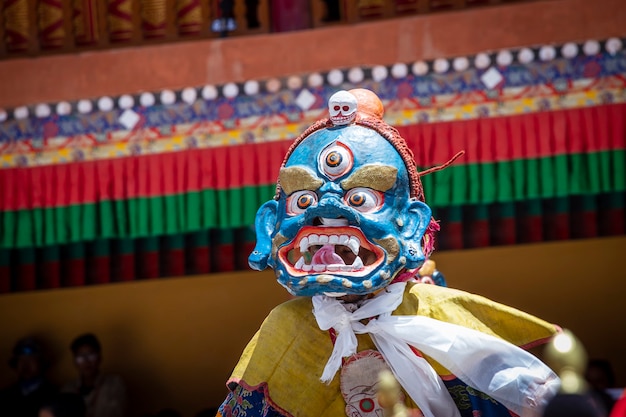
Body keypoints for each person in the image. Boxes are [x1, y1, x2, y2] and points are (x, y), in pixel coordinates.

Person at [217, 88, 561, 416]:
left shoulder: (438, 313)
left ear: (411, 225)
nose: (327, 214)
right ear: (269, 226)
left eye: (360, 198)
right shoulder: (288, 327)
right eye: (303, 200)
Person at [62, 333, 126, 417]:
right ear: (74, 362)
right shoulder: (67, 390)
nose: (86, 361)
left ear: (99, 357)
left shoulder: (114, 385)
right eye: (80, 357)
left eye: (91, 355)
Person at [0, 337, 58, 417]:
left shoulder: (55, 395)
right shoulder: (5, 395)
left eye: (31, 359)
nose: (25, 365)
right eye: (21, 360)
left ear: (41, 363)